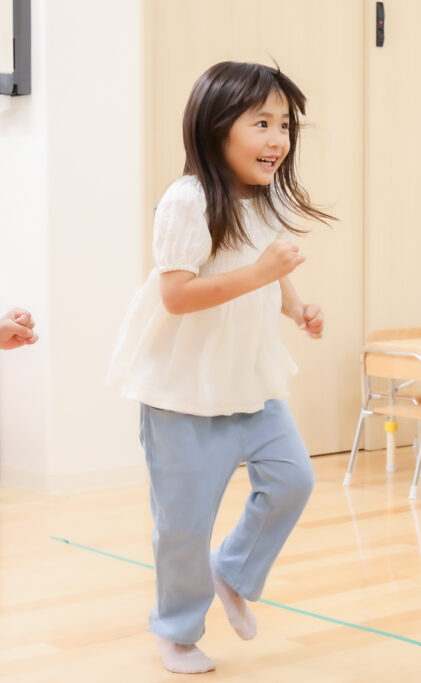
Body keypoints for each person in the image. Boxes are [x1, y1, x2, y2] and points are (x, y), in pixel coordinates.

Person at [109, 61, 333, 674]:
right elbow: (177, 295)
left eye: (284, 125)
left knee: (293, 480)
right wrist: (262, 274)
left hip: (249, 380)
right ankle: (177, 631)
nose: (277, 139)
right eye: (261, 123)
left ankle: (232, 571)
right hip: (182, 390)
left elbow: (268, 269)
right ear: (216, 128)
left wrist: (295, 307)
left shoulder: (261, 198)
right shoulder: (186, 201)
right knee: (184, 523)